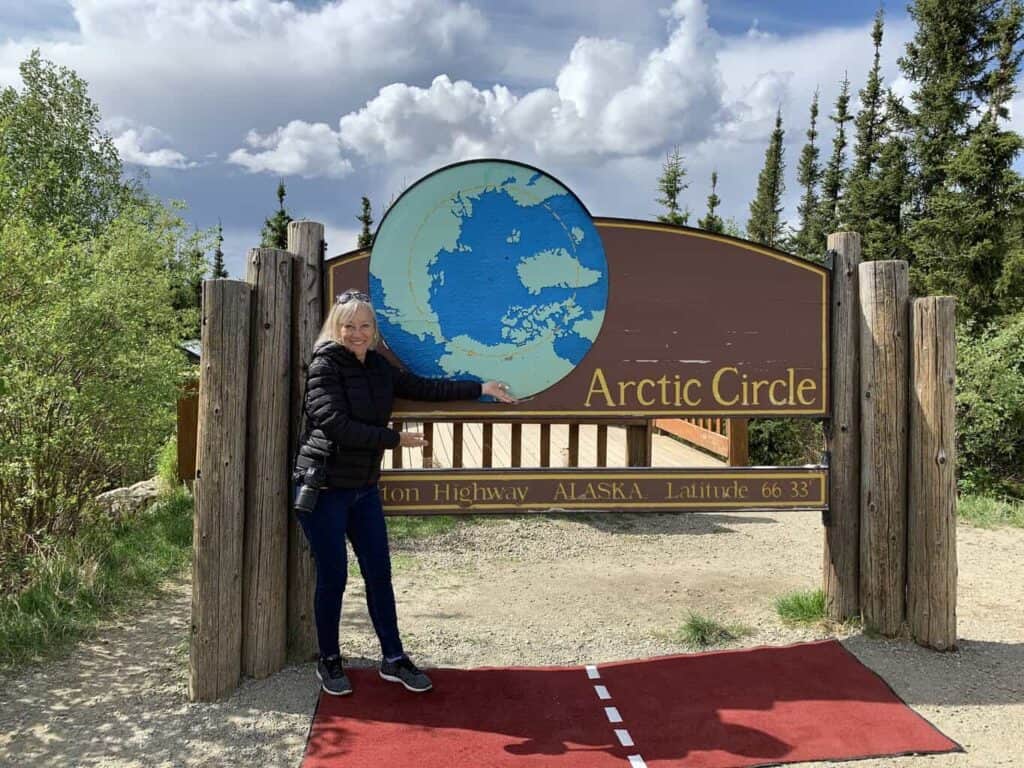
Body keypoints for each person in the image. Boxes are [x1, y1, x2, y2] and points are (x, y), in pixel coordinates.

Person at [293, 288, 516, 697]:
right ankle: (328, 659)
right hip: (324, 488)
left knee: (379, 574)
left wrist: (481, 386)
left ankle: (393, 658)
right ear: (335, 328)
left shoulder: (378, 366)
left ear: (374, 331)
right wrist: (392, 440)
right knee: (334, 577)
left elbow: (423, 387)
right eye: (349, 326)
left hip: (363, 489)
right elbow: (333, 424)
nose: (357, 333)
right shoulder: (324, 367)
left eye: (364, 326)